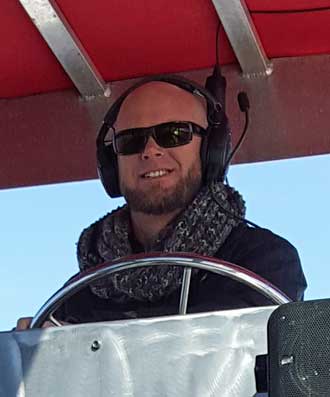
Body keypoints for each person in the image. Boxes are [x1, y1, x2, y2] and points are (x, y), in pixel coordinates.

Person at [17, 75, 307, 328]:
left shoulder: (264, 262)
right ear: (111, 163)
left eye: (174, 134)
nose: (150, 151)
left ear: (211, 152)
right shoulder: (80, 291)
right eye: (131, 141)